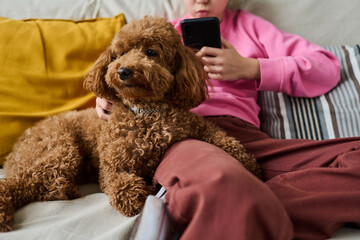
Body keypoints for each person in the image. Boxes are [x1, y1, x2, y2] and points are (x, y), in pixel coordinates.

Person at [96, 0, 360, 239]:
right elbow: (118, 69)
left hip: (247, 139)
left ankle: (241, 206)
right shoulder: (157, 34)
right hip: (182, 136)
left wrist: (252, 68)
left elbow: (326, 66)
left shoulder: (251, 27)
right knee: (220, 177)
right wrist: (108, 97)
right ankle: (230, 200)